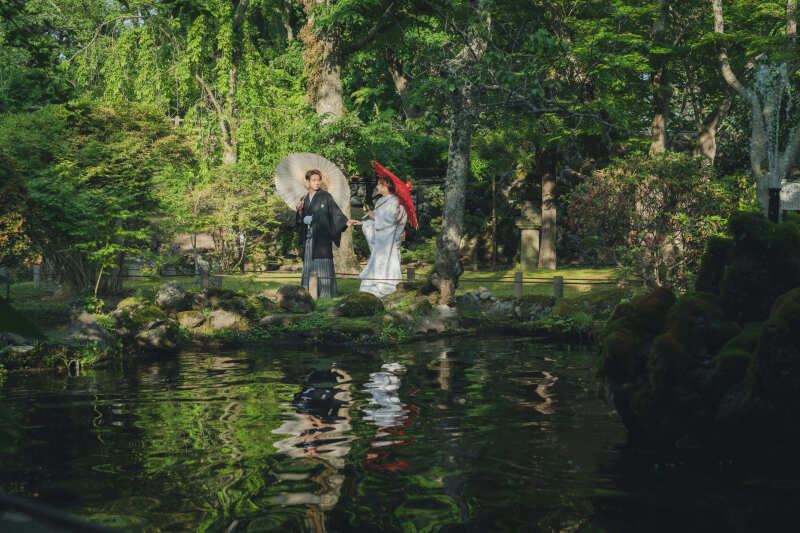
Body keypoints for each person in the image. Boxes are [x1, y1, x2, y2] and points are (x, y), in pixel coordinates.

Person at [296, 169, 358, 298]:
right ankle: (308, 293)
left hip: (322, 238)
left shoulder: (326, 196)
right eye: (313, 180)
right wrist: (300, 212)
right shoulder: (304, 198)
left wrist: (345, 222)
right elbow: (300, 221)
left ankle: (325, 293)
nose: (317, 183)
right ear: (307, 182)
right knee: (309, 263)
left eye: (318, 180)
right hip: (309, 237)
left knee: (322, 263)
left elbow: (335, 213)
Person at [354, 176, 408, 297]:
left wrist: (375, 217)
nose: (377, 187)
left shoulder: (395, 202)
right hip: (381, 241)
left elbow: (392, 221)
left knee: (387, 265)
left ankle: (387, 288)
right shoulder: (382, 201)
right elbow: (379, 222)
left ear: (386, 186)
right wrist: (364, 223)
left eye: (379, 184)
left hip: (389, 242)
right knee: (376, 265)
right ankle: (371, 289)